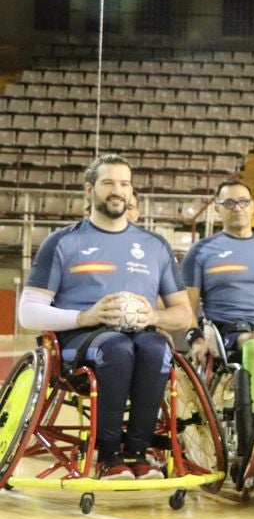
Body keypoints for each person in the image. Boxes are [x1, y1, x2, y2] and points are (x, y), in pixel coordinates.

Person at [18, 154, 194, 480]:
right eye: (108, 183)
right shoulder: (62, 242)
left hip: (140, 334)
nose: (118, 190)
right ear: (90, 190)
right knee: (116, 348)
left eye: (124, 184)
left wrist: (152, 316)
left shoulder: (154, 245)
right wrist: (85, 316)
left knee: (157, 349)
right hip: (80, 339)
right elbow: (27, 313)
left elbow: (184, 314)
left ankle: (138, 454)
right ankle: (108, 455)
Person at [183, 180, 254, 404]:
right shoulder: (201, 251)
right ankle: (249, 409)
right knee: (252, 343)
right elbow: (187, 306)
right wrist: (196, 339)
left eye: (243, 202)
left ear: (253, 206)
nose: (237, 207)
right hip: (228, 329)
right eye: (229, 203)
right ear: (217, 209)